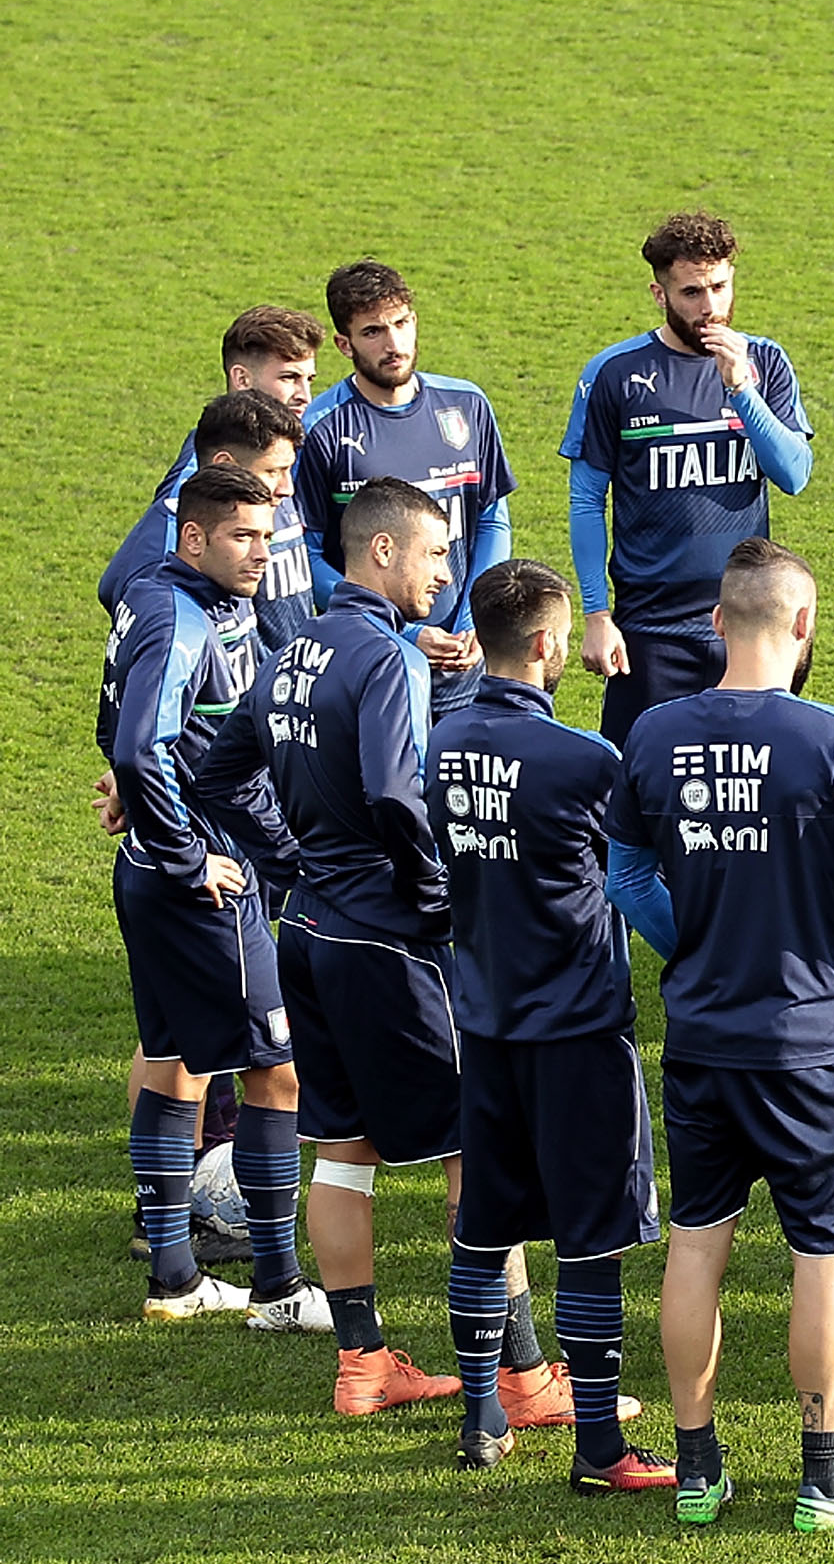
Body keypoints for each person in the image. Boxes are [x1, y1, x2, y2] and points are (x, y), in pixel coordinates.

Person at [605, 539, 834, 1530]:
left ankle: (698, 1470)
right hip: (810, 1043)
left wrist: (687, 947)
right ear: (805, 624)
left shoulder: (652, 736)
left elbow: (624, 881)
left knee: (696, 1246)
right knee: (824, 1258)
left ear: (713, 623)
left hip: (701, 1036)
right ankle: (826, 1480)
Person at [196, 478, 498, 1416]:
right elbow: (397, 795)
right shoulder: (388, 659)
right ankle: (514, 1376)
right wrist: (437, 897)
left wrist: (289, 855)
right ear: (383, 553)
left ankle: (363, 1361)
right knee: (470, 1150)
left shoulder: (291, 654)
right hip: (387, 945)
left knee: (342, 1152)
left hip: (308, 933)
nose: (448, 574)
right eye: (437, 554)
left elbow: (217, 770)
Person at [425, 560, 668, 1486]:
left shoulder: (441, 742)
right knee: (592, 1234)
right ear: (545, 646)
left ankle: (483, 1418)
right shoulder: (585, 762)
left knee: (485, 1224)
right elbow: (643, 876)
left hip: (481, 1023)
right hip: (576, 1030)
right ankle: (600, 1445)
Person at [100, 464, 324, 1332]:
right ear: (192, 536)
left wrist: (148, 808)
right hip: (200, 887)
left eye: (267, 536)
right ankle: (277, 1288)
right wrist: (190, 852)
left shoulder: (174, 599)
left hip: (151, 878)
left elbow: (128, 728)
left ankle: (175, 1278)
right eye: (242, 536)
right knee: (278, 1073)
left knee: (175, 1062)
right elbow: (137, 745)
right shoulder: (179, 615)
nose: (260, 553)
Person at [563, 213, 814, 744]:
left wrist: (742, 391)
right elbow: (587, 500)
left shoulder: (764, 361)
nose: (710, 308)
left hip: (748, 619)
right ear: (660, 293)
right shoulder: (614, 374)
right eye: (692, 292)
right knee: (641, 785)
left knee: (749, 784)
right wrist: (595, 614)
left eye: (720, 287)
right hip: (651, 629)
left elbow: (793, 474)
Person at [297, 260, 516, 720]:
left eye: (401, 324)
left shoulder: (467, 406)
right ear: (344, 344)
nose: (394, 344)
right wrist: (402, 632)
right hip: (371, 666)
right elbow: (305, 557)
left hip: (466, 662)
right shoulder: (320, 430)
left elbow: (491, 516)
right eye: (373, 331)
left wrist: (477, 615)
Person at [100, 312, 323, 649]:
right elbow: (129, 585)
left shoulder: (276, 457)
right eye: (290, 377)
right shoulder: (201, 482)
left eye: (310, 379)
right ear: (242, 379)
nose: (304, 395)